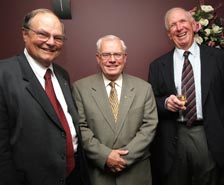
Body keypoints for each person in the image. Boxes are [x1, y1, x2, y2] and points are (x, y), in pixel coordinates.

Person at [0, 9, 91, 185]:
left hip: (73, 175)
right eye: (43, 34)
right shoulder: (4, 74)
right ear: (24, 34)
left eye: (57, 38)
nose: (51, 42)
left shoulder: (62, 75)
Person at [148, 7, 224, 185]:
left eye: (182, 22)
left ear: (194, 25)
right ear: (169, 34)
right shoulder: (157, 66)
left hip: (208, 136)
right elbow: (151, 104)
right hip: (173, 137)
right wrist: (165, 103)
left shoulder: (218, 58)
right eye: (173, 25)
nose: (179, 28)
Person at [72, 34, 158, 185]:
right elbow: (80, 127)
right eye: (106, 54)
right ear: (98, 58)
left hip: (136, 173)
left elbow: (149, 126)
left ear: (125, 58)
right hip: (98, 174)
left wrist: (123, 158)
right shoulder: (80, 88)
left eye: (117, 54)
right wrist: (105, 156)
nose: (112, 60)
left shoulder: (144, 88)